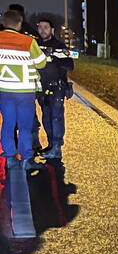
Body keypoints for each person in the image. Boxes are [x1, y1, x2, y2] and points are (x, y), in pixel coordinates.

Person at [0, 9, 48, 171]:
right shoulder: (28, 41)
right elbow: (41, 63)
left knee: (8, 123)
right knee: (25, 126)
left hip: (4, 90)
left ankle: (9, 157)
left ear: (4, 23)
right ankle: (27, 158)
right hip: (25, 92)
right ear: (19, 24)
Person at [34, 19, 74, 160]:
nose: (42, 30)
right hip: (41, 87)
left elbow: (70, 65)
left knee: (56, 117)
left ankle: (56, 148)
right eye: (40, 27)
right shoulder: (35, 45)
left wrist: (55, 57)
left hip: (57, 86)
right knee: (46, 117)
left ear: (51, 30)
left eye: (46, 27)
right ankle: (51, 145)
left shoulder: (59, 45)